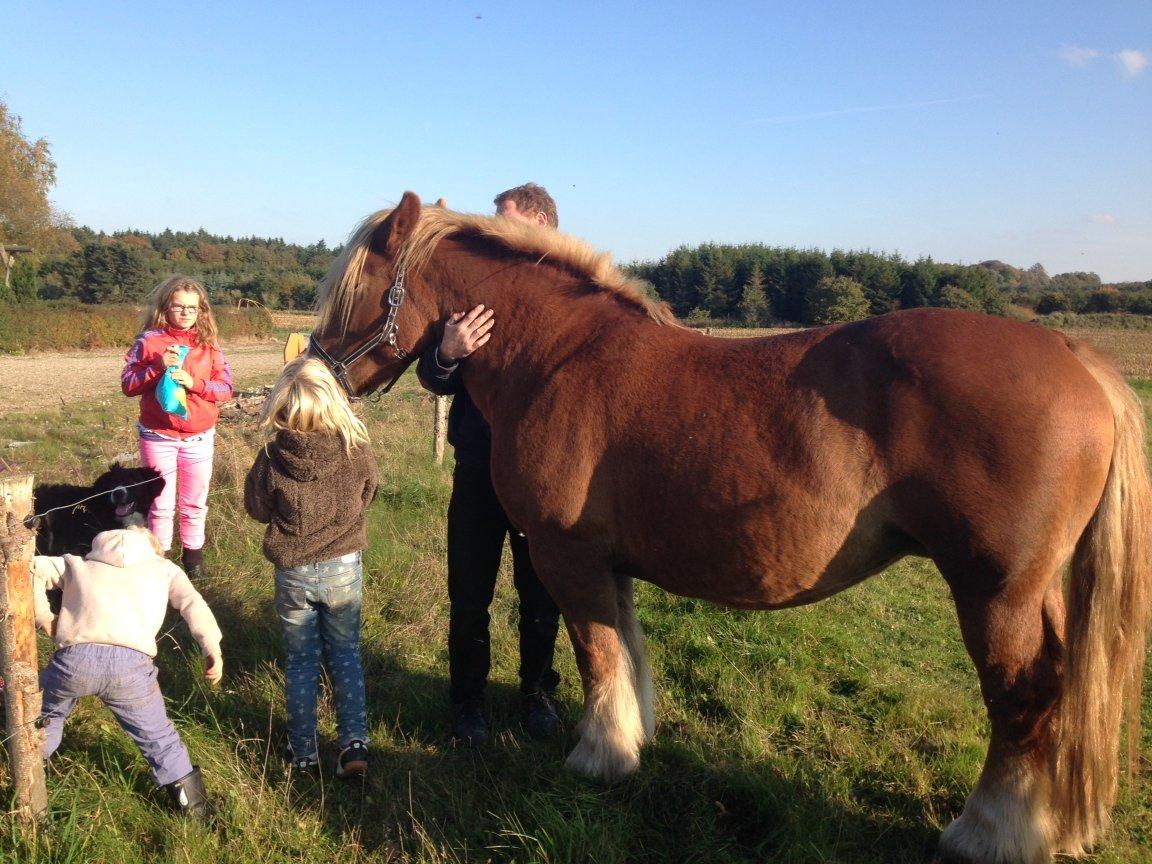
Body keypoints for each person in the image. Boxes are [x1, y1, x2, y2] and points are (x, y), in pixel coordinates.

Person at [417, 182, 563, 746]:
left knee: (541, 590)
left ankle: (537, 694)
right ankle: (467, 704)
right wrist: (446, 351)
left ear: (543, 227)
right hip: (478, 468)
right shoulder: (473, 296)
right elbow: (432, 376)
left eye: (505, 221)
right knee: (469, 592)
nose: (493, 230)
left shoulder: (569, 301)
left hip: (541, 475)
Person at [243, 357, 378, 778]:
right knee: (345, 655)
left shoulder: (271, 458)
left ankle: (303, 752)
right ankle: (353, 744)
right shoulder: (356, 451)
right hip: (343, 569)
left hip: (294, 572)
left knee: (301, 662)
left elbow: (257, 508)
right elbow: (369, 491)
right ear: (334, 401)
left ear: (280, 406)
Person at [33, 526, 223, 818]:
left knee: (46, 714)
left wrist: (44, 616)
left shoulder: (79, 564)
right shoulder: (164, 569)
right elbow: (192, 604)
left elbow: (32, 567)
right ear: (153, 550)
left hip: (73, 661)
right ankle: (196, 813)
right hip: (131, 669)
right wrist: (212, 647)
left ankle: (31, 777)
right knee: (158, 737)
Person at [122, 276, 234, 579]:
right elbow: (128, 385)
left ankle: (194, 561)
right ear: (165, 307)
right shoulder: (148, 342)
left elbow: (226, 389)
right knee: (160, 503)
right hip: (158, 436)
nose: (185, 313)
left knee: (195, 503)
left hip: (199, 438)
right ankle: (162, 561)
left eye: (192, 308)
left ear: (201, 311)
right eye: (178, 306)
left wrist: (195, 384)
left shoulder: (209, 346)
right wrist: (157, 366)